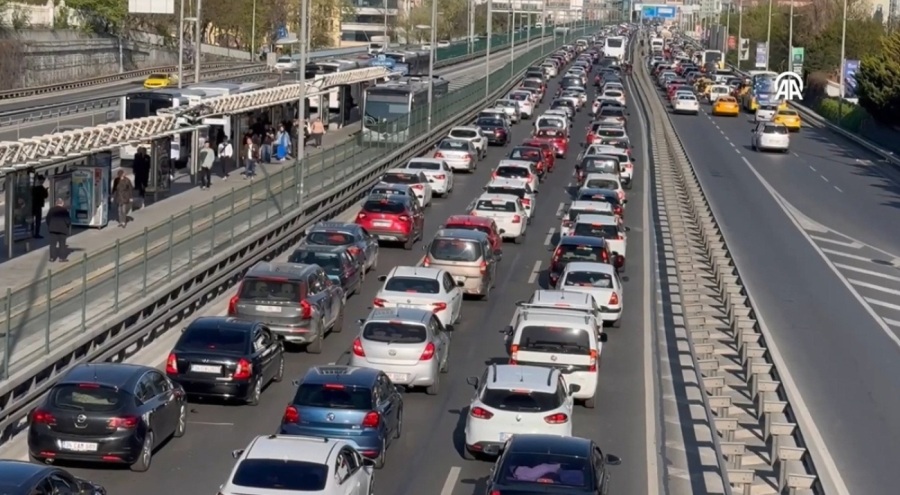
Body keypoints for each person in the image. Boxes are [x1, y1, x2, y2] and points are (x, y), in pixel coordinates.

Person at [46, 198, 70, 262]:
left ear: (56, 203)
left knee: (52, 244)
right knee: (62, 244)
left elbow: (47, 219)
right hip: (62, 230)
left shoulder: (51, 210)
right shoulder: (64, 210)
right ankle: (62, 258)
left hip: (53, 229)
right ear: (62, 203)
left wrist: (50, 226)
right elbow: (68, 221)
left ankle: (52, 258)